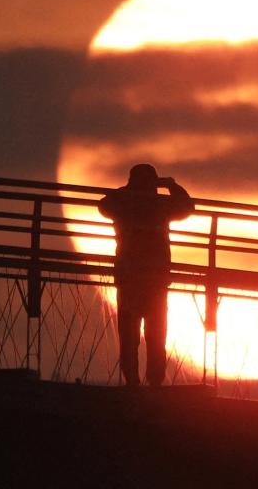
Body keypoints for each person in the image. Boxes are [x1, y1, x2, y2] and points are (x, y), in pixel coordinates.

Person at [98, 164, 194, 387]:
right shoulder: (160, 206)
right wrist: (171, 185)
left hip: (129, 274)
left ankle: (132, 379)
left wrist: (128, 190)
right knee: (156, 334)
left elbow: (103, 204)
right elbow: (188, 207)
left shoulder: (123, 203)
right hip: (155, 276)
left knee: (129, 334)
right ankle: (155, 381)